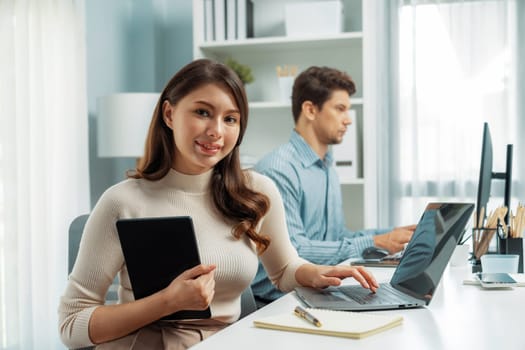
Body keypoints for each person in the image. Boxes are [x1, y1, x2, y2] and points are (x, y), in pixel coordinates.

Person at [58, 59, 379, 350]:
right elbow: (71, 325)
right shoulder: (122, 201)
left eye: (230, 119)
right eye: (202, 112)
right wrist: (167, 302)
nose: (216, 131)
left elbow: (283, 270)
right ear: (169, 114)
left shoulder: (257, 192)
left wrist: (317, 274)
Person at [251, 66, 416, 304]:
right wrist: (376, 242)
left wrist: (392, 235)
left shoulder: (327, 167)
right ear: (310, 110)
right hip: (278, 300)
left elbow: (337, 238)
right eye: (340, 109)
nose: (348, 119)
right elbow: (295, 250)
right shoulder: (278, 169)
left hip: (315, 292)